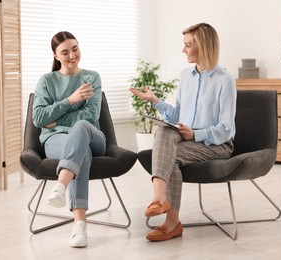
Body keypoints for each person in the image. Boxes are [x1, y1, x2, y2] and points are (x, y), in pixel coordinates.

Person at [129, 23, 236, 242]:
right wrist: (156, 101)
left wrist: (195, 135)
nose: (183, 50)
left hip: (215, 144)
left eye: (188, 45)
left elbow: (227, 128)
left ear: (204, 46)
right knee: (164, 132)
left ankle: (169, 218)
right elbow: (179, 115)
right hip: (187, 140)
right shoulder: (186, 75)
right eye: (184, 45)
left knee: (169, 156)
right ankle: (163, 205)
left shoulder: (224, 80)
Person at [32, 31, 106, 248]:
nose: (72, 55)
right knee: (81, 152)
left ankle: (61, 185)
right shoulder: (47, 81)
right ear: (56, 56)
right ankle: (79, 225)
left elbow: (90, 116)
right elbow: (38, 118)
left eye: (75, 48)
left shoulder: (91, 77)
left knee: (82, 128)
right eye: (65, 52)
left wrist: (56, 119)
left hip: (93, 137)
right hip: (56, 141)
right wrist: (70, 100)